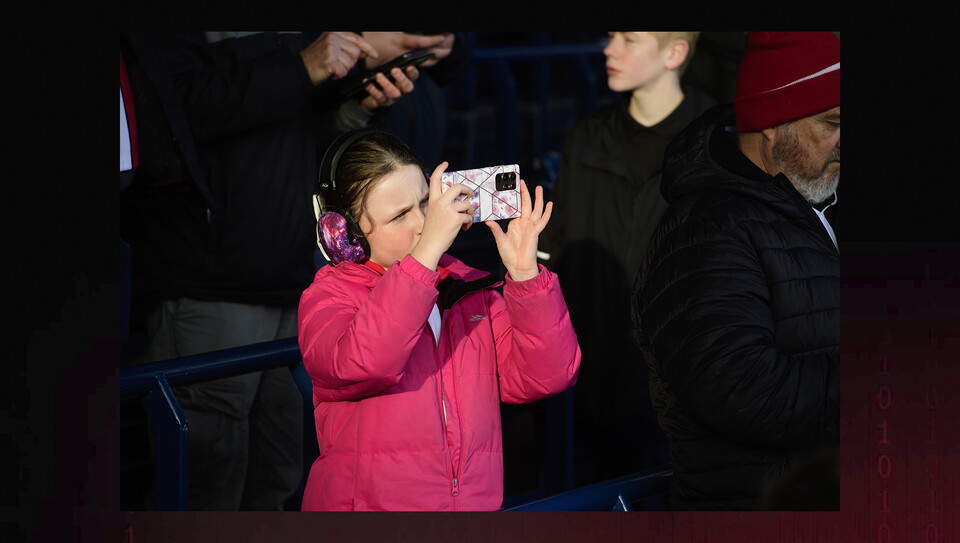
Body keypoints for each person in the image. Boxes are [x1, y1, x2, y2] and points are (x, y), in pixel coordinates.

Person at [121, 31, 425, 511]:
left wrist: (359, 106)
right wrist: (300, 67)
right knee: (206, 488)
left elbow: (303, 133)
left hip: (288, 280)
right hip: (210, 285)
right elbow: (169, 108)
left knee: (278, 480)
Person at [297, 128, 581, 510]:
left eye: (425, 204)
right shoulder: (327, 297)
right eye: (399, 215)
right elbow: (364, 363)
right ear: (342, 234)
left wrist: (525, 274)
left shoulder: (466, 288)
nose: (421, 224)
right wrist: (426, 254)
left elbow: (546, 375)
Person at [631, 31, 840, 510]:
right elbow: (740, 389)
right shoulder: (704, 230)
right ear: (771, 122)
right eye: (832, 123)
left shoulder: (820, 196)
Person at [536, 32, 716, 486]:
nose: (608, 49)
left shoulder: (718, 141)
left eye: (629, 39)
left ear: (674, 53)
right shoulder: (588, 136)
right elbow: (557, 246)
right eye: (611, 36)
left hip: (679, 383)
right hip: (590, 373)